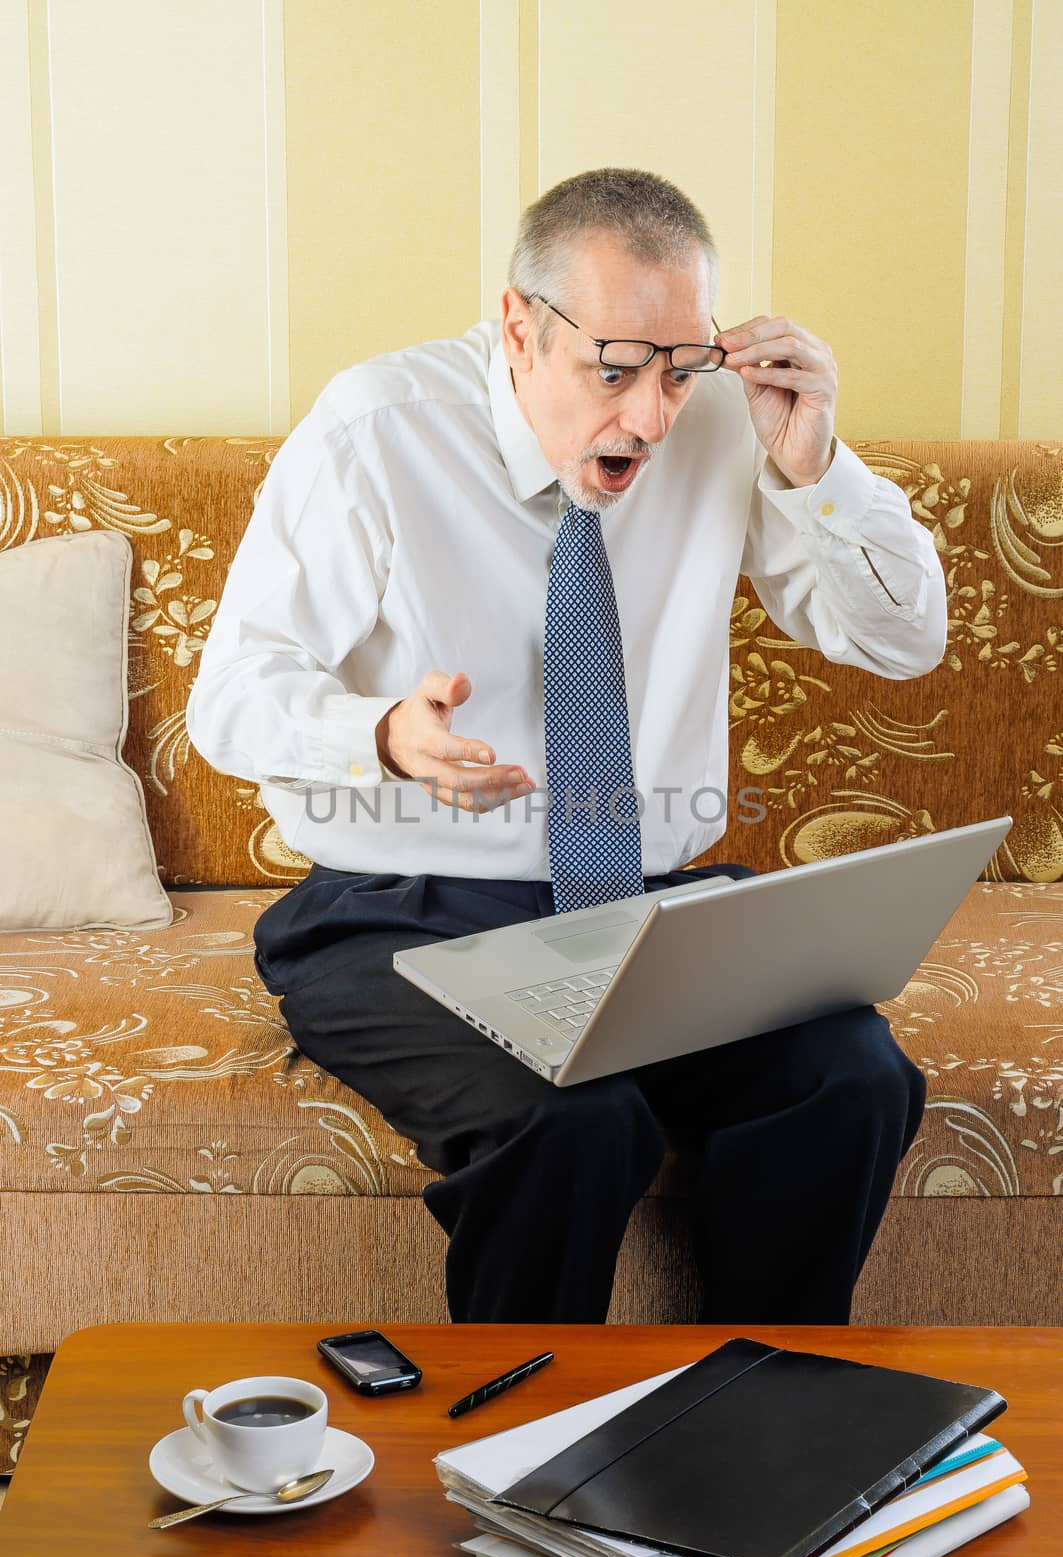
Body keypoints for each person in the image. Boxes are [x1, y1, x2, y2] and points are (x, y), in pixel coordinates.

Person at [186, 167, 947, 1325]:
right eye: (616, 367)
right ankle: (516, 1464)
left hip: (639, 913)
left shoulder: (721, 432)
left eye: (680, 368)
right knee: (574, 1116)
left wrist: (817, 470)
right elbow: (230, 695)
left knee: (853, 1077)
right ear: (518, 326)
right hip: (402, 910)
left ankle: (757, 1420)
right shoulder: (376, 431)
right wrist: (383, 734)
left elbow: (904, 643)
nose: (650, 415)